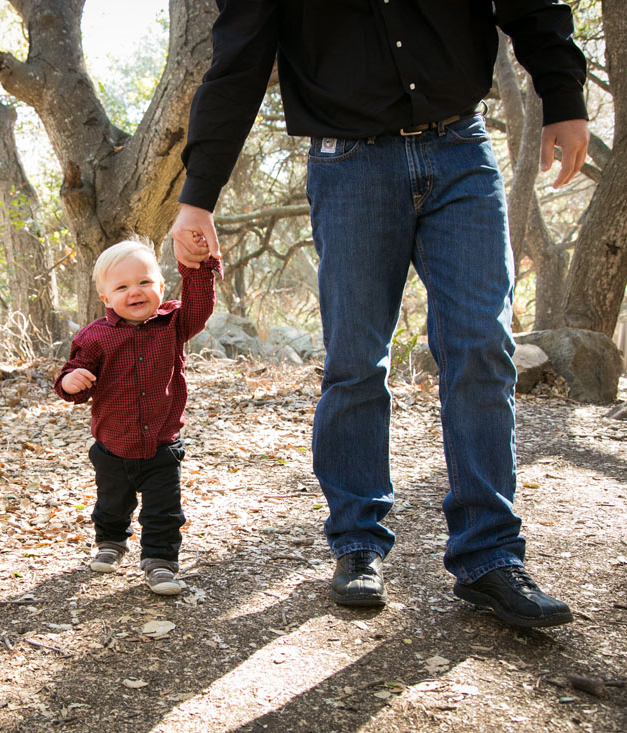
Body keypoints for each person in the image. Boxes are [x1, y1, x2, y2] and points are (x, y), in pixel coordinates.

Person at [172, 1, 588, 627]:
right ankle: (358, 544)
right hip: (350, 166)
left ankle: (490, 558)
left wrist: (564, 95)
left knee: (482, 346)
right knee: (356, 361)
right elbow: (239, 61)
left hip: (460, 151)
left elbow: (530, 4)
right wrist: (198, 194)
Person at [54, 238, 221, 595]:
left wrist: (197, 268)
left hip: (162, 445)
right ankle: (111, 542)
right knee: (112, 503)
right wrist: (71, 382)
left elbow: (201, 307)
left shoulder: (174, 324)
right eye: (122, 286)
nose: (136, 292)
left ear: (161, 287)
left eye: (145, 282)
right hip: (113, 445)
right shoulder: (95, 337)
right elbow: (76, 378)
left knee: (164, 511)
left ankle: (160, 562)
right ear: (106, 298)